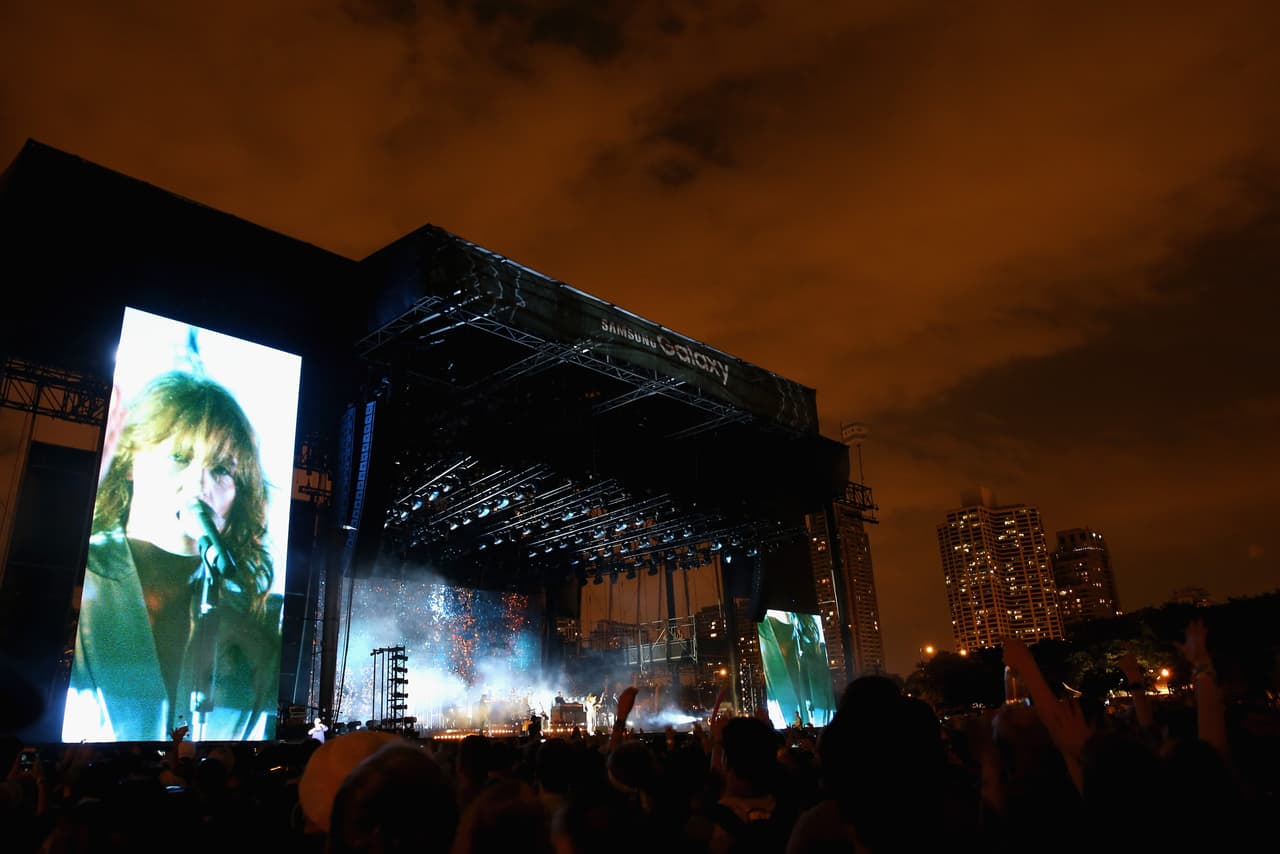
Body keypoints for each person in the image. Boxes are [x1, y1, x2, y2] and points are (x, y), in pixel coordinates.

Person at [62, 370, 281, 743]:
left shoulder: (253, 628)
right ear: (131, 460)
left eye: (222, 470)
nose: (199, 484)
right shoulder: (80, 575)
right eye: (179, 456)